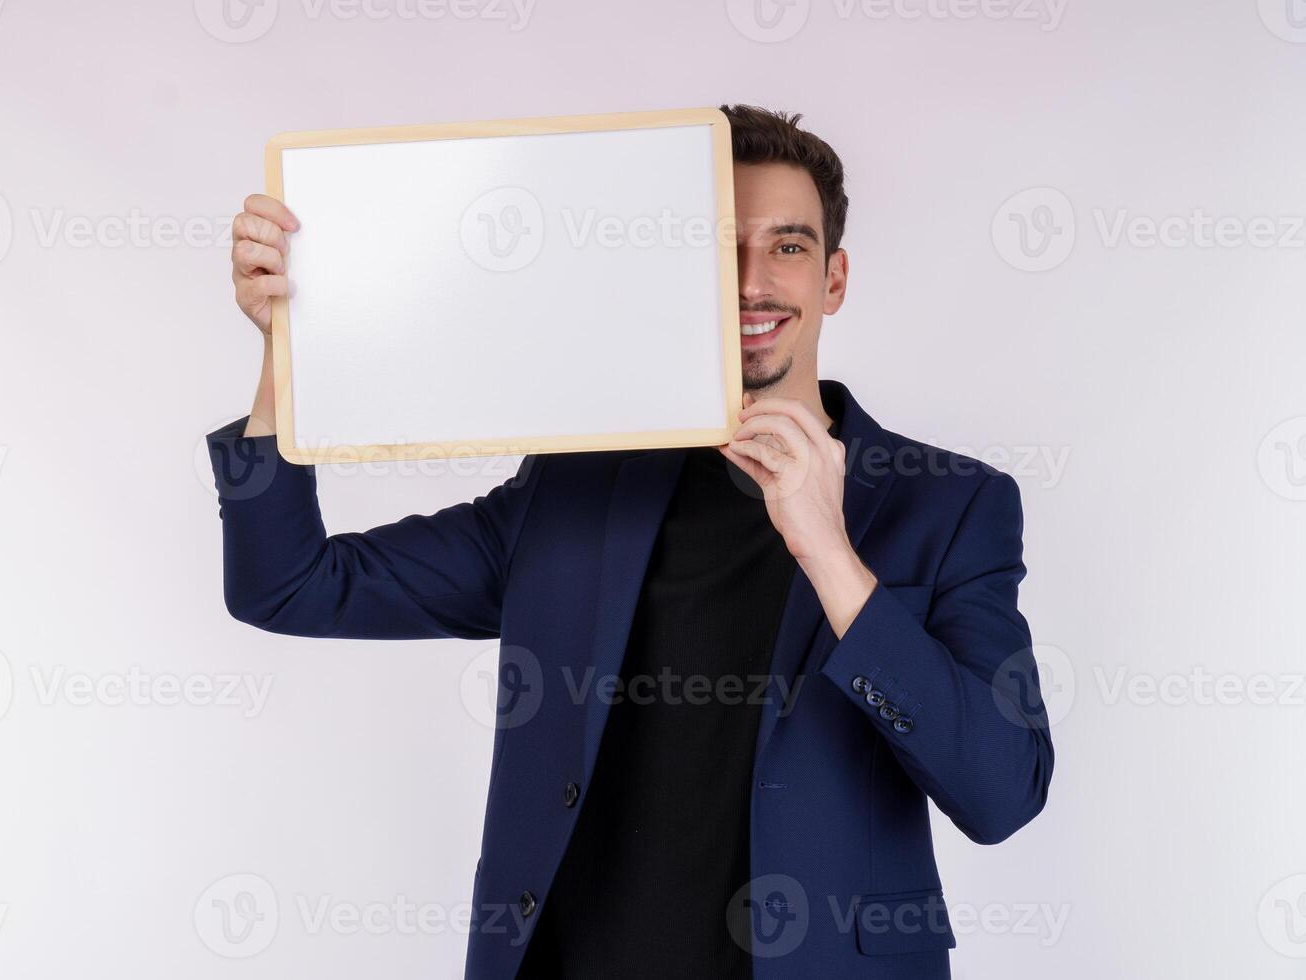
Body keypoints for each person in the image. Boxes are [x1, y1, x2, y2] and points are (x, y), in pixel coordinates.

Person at [207, 103, 1054, 980]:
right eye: (721, 248)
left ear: (834, 278)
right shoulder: (577, 483)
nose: (752, 282)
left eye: (789, 247)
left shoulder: (949, 505)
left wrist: (832, 557)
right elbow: (290, 585)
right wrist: (286, 356)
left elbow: (1002, 794)